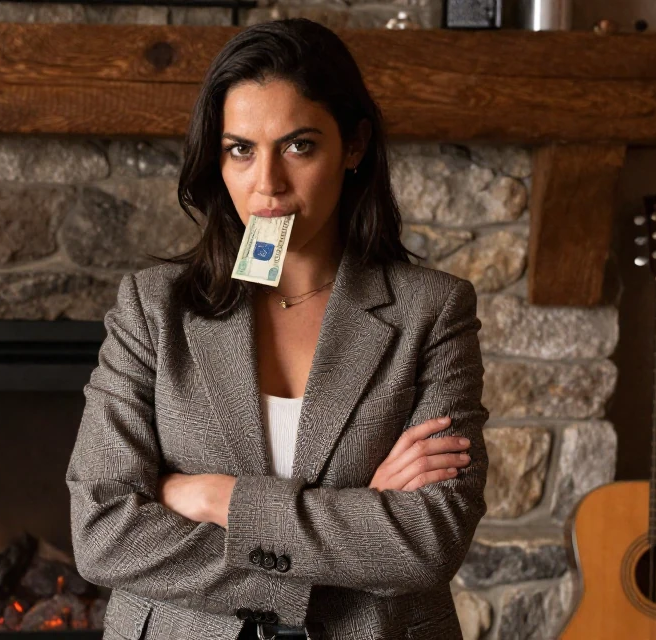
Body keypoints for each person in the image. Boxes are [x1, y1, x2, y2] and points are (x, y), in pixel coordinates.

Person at [66, 17, 488, 640]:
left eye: (299, 146)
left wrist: (217, 499)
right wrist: (357, 524)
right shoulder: (152, 311)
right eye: (241, 149)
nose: (267, 185)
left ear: (354, 145)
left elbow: (428, 542)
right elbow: (102, 534)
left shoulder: (434, 311)